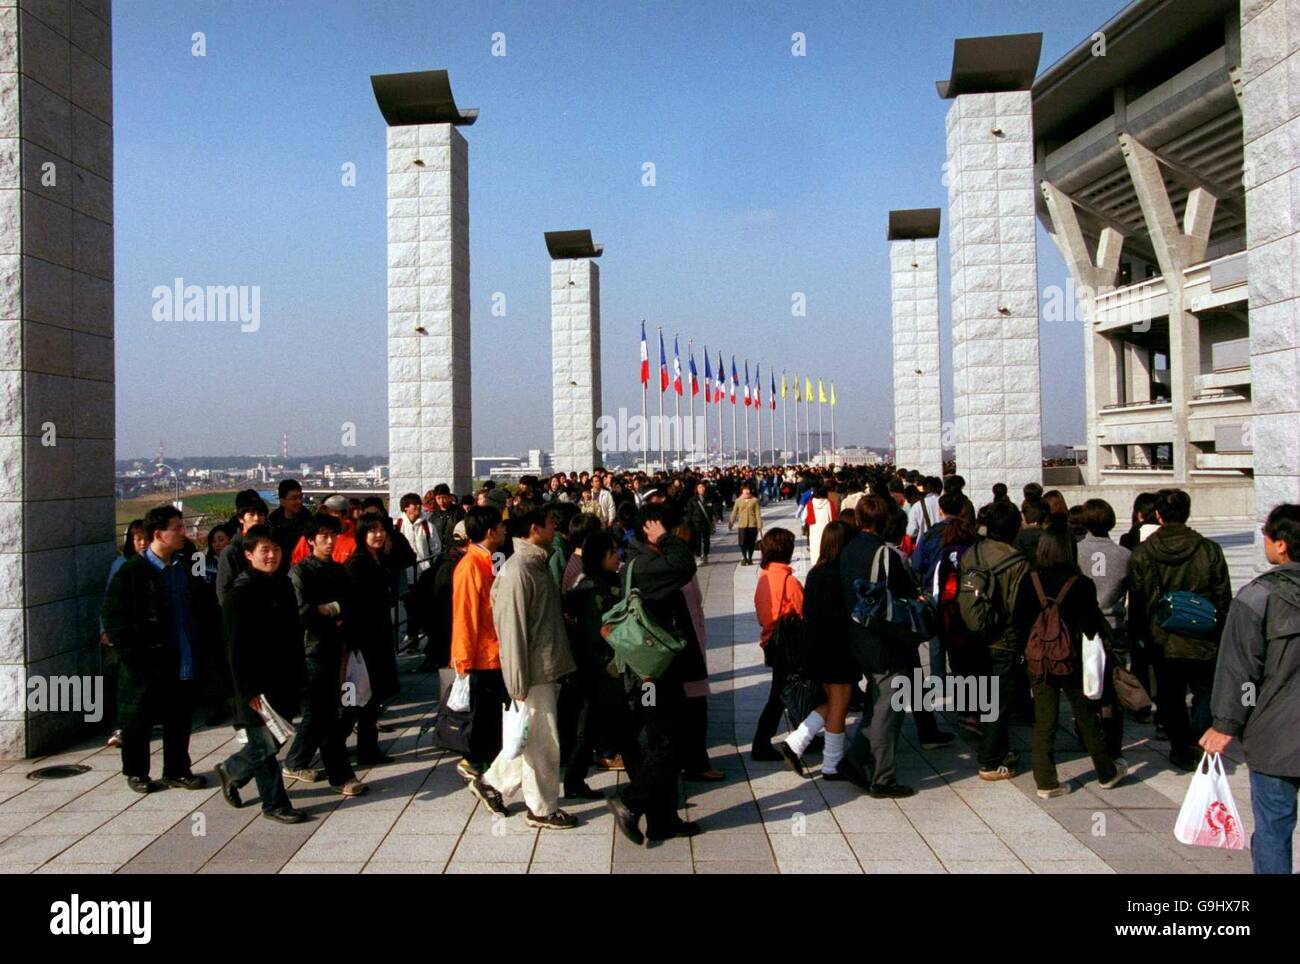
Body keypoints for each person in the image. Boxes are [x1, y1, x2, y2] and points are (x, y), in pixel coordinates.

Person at [1200, 504, 1300, 874]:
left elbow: (1242, 674)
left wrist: (1227, 722)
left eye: (1267, 536)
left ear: (1282, 545)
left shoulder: (1257, 597)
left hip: (1274, 737)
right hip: (1278, 735)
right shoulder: (1257, 597)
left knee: (1274, 829)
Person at [466, 505, 578, 829]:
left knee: (533, 739)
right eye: (549, 523)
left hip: (544, 666)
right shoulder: (518, 571)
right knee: (544, 744)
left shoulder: (536, 564)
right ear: (534, 528)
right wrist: (516, 682)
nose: (555, 528)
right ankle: (541, 809)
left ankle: (491, 784)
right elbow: (511, 630)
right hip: (533, 672)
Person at [607, 504, 704, 844]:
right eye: (671, 530)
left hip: (656, 669)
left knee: (666, 739)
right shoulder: (648, 565)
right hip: (650, 676)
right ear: (653, 529)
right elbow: (685, 564)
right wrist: (665, 538)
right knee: (667, 741)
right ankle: (630, 802)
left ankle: (664, 820)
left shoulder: (639, 561)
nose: (678, 537)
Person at [101, 505, 209, 794]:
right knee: (138, 720)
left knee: (179, 717)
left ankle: (177, 770)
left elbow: (199, 608)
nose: (183, 533)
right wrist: (132, 654)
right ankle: (137, 772)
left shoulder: (184, 567)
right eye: (177, 528)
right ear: (158, 534)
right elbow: (113, 617)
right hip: (145, 660)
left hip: (181, 655)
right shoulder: (132, 571)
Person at [1012, 526, 1124, 798]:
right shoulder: (1081, 584)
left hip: (1039, 659)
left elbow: (1019, 621)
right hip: (1072, 659)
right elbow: (1089, 626)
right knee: (1086, 716)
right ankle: (1106, 771)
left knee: (1044, 720)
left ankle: (1047, 782)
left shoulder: (1030, 580)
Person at [1127, 488, 1232, 771]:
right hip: (1203, 634)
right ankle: (1199, 739)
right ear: (1187, 513)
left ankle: (1180, 748)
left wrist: (1137, 635)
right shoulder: (1209, 549)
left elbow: (1136, 599)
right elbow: (1223, 596)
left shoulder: (1143, 552)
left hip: (1163, 635)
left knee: (1170, 695)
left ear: (1158, 515)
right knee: (1205, 691)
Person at [213, 525, 310, 823]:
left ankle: (233, 769)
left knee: (276, 737)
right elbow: (234, 649)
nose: (271, 556)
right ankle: (275, 804)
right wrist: (248, 691)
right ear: (248, 554)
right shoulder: (239, 594)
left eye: (276, 550)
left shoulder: (281, 584)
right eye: (264, 551)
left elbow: (294, 634)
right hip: (253, 687)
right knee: (265, 747)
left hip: (283, 679)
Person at [833, 496, 929, 797]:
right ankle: (882, 778)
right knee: (889, 711)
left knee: (878, 704)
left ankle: (854, 759)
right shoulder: (883, 554)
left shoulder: (848, 549)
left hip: (856, 637)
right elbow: (904, 594)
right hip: (884, 641)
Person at [282, 512, 367, 795]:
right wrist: (332, 609)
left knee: (318, 716)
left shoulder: (337, 570)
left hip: (334, 647)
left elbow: (350, 603)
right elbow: (302, 613)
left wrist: (331, 608)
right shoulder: (300, 572)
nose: (330, 541)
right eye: (323, 537)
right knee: (326, 716)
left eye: (333, 536)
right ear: (310, 541)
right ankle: (342, 776)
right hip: (310, 651)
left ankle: (289, 762)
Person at [781, 522, 860, 779]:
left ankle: (796, 742)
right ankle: (831, 764)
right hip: (838, 648)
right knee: (840, 705)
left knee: (832, 702)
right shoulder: (840, 575)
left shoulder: (817, 572)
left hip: (817, 648)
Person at [960, 499, 1030, 781]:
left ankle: (989, 743)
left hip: (973, 633)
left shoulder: (972, 551)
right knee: (998, 702)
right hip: (1003, 639)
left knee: (983, 692)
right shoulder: (1017, 560)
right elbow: (1018, 608)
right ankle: (991, 761)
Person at [450, 506, 510, 780]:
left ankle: (486, 764)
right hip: (483, 654)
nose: (505, 530)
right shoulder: (469, 566)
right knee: (485, 715)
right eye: (501, 526)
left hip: (496, 649)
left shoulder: (494, 557)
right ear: (490, 532)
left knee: (494, 714)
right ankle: (474, 762)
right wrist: (462, 659)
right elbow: (464, 616)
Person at [342, 515, 401, 766]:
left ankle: (368, 749)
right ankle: (326, 748)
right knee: (357, 701)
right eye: (372, 530)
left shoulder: (377, 560)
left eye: (381, 530)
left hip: (377, 637)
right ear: (362, 534)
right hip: (364, 642)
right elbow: (353, 605)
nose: (379, 534)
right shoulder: (357, 564)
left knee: (369, 699)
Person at [1077, 498, 1131, 761]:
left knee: (1085, 681)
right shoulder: (1123, 555)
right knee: (1112, 687)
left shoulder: (1075, 552)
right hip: (1113, 625)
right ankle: (1112, 744)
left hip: (1083, 627)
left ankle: (1085, 734)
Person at [751, 528, 805, 761]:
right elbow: (803, 613)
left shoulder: (763, 577)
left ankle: (804, 735)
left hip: (771, 640)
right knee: (784, 693)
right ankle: (762, 742)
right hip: (788, 645)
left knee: (783, 690)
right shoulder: (789, 581)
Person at [215, 496, 269, 607]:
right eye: (251, 514)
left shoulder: (271, 547)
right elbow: (223, 592)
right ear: (240, 518)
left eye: (261, 514)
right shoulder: (231, 551)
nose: (257, 519)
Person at [268, 479, 308, 574]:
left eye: (300, 497)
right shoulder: (272, 522)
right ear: (282, 501)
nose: (299, 501)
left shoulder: (308, 521)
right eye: (294, 498)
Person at [803, 485, 838, 567]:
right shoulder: (829, 503)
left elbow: (804, 517)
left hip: (814, 531)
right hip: (827, 531)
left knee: (815, 550)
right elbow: (834, 518)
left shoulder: (810, 504)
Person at [729, 482, 763, 565]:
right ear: (742, 491)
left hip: (752, 524)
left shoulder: (755, 500)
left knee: (751, 543)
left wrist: (759, 525)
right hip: (742, 525)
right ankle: (744, 557)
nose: (747, 491)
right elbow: (734, 512)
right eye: (745, 490)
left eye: (748, 490)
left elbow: (758, 513)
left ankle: (750, 558)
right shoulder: (738, 501)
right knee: (742, 543)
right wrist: (731, 522)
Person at [685, 480, 714, 564]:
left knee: (706, 540)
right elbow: (689, 513)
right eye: (700, 487)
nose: (702, 489)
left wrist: (717, 518)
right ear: (696, 489)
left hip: (706, 523)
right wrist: (689, 524)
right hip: (696, 524)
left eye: (703, 487)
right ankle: (698, 556)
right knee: (697, 541)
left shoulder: (709, 499)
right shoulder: (692, 500)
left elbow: (712, 510)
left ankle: (705, 555)